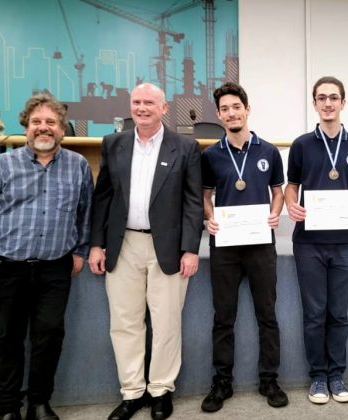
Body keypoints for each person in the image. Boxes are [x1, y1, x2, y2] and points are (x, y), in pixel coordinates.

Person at [0, 94, 93, 420]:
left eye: (51, 123)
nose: (43, 128)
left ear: (62, 130)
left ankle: (39, 403)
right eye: (36, 122)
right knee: (9, 340)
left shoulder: (78, 167)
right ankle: (8, 409)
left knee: (49, 338)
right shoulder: (1, 166)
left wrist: (80, 251)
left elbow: (85, 214)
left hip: (55, 270)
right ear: (26, 127)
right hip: (6, 269)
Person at [88, 83, 203, 420]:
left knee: (166, 322)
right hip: (122, 245)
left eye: (149, 102)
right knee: (124, 322)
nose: (141, 108)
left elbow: (193, 203)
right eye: (136, 102)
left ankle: (161, 390)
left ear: (163, 108)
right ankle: (132, 392)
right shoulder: (114, 144)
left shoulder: (185, 147)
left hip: (166, 246)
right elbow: (103, 197)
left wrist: (190, 249)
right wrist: (96, 243)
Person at [284, 76, 348, 404]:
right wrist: (292, 204)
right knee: (314, 313)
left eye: (333, 97)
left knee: (339, 313)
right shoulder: (301, 145)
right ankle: (318, 377)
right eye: (321, 98)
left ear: (343, 102)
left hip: (346, 241)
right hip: (308, 242)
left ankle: (337, 375)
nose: (327, 103)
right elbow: (292, 185)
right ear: (314, 103)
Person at [199, 82, 288, 412]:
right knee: (224, 317)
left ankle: (269, 379)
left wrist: (276, 212)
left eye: (236, 106)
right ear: (219, 115)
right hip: (225, 245)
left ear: (247, 109)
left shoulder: (268, 151)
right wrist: (209, 218)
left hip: (261, 245)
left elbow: (277, 191)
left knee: (267, 314)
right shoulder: (210, 155)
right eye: (224, 109)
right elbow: (206, 197)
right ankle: (222, 382)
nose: (231, 113)